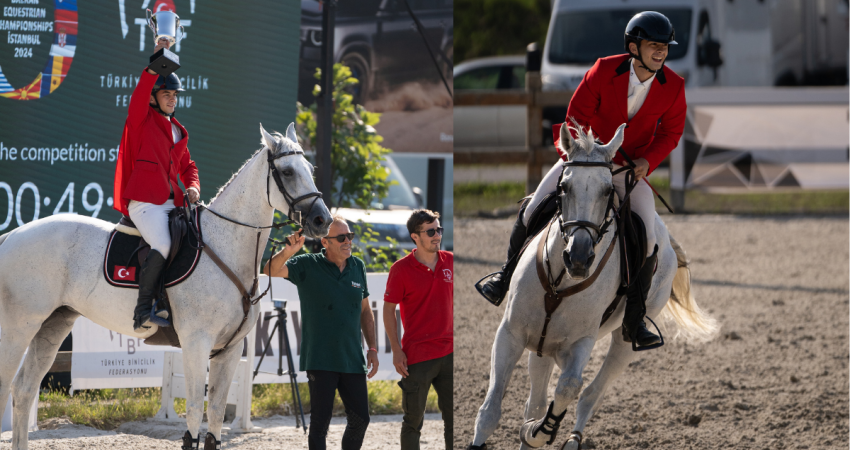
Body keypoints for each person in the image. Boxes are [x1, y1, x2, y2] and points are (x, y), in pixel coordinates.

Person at [476, 11, 686, 350]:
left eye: (664, 47)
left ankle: (635, 317)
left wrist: (647, 162)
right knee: (533, 208)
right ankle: (503, 277)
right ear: (633, 47)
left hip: (628, 170)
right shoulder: (604, 70)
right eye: (653, 46)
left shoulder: (674, 86)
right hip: (585, 161)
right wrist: (577, 157)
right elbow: (574, 119)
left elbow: (672, 132)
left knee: (647, 234)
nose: (661, 52)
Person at [263, 216, 379, 450]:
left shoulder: (358, 266)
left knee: (361, 420)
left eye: (350, 236)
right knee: (320, 425)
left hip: (353, 360)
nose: (348, 241)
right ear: (325, 242)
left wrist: (373, 349)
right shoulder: (308, 264)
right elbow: (270, 270)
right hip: (320, 359)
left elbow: (366, 311)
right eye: (342, 237)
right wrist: (290, 250)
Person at [113, 38, 200, 331]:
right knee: (162, 243)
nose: (173, 98)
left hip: (171, 202)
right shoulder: (141, 118)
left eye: (175, 94)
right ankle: (142, 310)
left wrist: (194, 187)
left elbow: (189, 167)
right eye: (167, 93)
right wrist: (157, 58)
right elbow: (139, 91)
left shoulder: (178, 129)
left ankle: (171, 301)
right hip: (144, 202)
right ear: (152, 97)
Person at [383, 210, 453, 450]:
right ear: (415, 236)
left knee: (454, 421)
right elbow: (388, 310)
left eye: (439, 230)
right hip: (418, 356)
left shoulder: (451, 262)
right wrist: (396, 350)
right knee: (413, 422)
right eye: (431, 231)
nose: (437, 236)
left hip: (451, 353)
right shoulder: (400, 269)